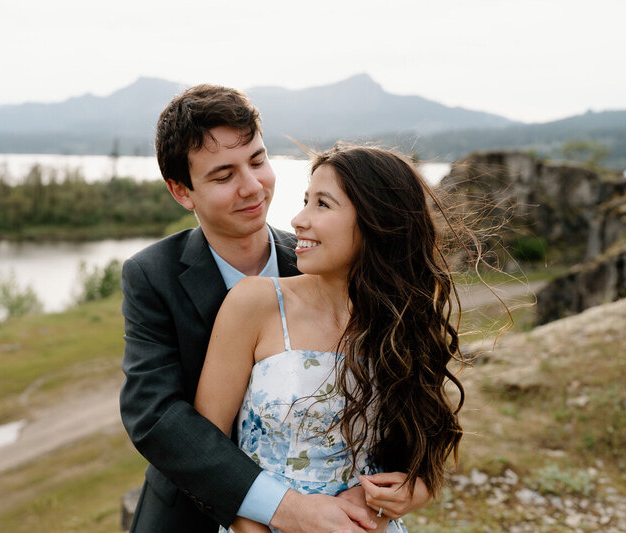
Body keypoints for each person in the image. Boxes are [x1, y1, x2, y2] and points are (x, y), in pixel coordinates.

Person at [120, 85, 383, 533]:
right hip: (189, 513)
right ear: (182, 192)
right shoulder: (151, 274)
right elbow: (155, 415)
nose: (252, 186)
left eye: (258, 160)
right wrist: (282, 509)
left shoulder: (319, 256)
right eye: (223, 176)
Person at [195, 144, 468, 532]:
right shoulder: (255, 302)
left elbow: (420, 452)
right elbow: (207, 453)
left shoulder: (401, 322)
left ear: (376, 220)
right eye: (306, 200)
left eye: (322, 204)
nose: (298, 219)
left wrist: (414, 489)